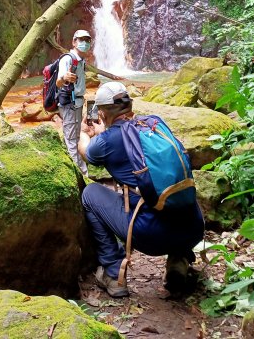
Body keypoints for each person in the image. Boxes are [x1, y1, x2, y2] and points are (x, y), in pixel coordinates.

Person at [78, 82, 205, 298]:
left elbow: (86, 152)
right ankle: (179, 261)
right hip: (193, 227)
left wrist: (84, 133)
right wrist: (105, 131)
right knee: (165, 194)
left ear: (101, 112)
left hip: (152, 236)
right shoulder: (154, 123)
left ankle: (112, 272)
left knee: (90, 195)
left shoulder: (106, 141)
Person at [56, 29, 92, 176]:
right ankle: (80, 175)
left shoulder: (81, 61)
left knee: (75, 138)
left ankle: (78, 173)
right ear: (74, 42)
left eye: (87, 40)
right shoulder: (68, 59)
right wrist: (65, 77)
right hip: (69, 104)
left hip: (77, 103)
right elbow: (58, 82)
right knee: (71, 140)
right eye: (81, 40)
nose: (85, 43)